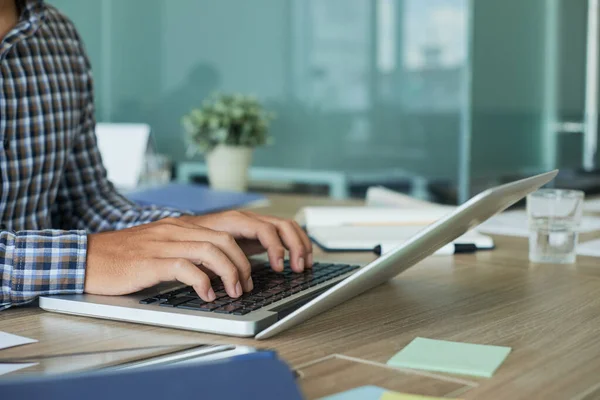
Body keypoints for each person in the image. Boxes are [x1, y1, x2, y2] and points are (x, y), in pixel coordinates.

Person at [0, 0, 313, 311]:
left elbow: (83, 202)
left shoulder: (56, 33)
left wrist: (187, 234)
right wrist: (83, 259)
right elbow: (90, 252)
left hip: (45, 322)